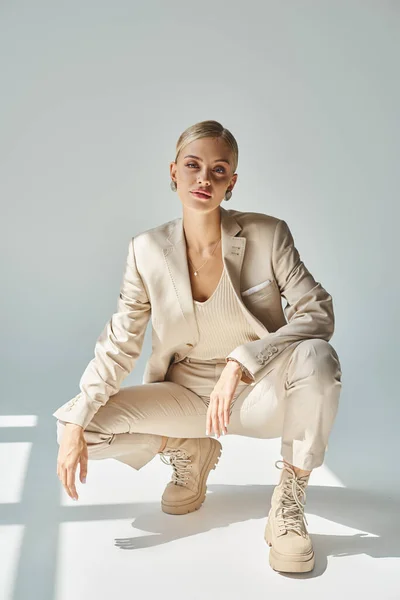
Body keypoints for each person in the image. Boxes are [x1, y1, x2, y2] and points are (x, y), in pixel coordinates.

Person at [53, 119, 342, 574]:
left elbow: (317, 313)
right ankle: (190, 450)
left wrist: (242, 362)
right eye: (193, 166)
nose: (204, 178)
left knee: (320, 358)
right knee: (78, 425)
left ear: (232, 182)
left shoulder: (269, 235)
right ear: (174, 172)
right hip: (187, 398)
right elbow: (120, 343)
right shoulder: (145, 250)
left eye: (218, 169)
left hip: (262, 395)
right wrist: (77, 419)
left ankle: (288, 498)